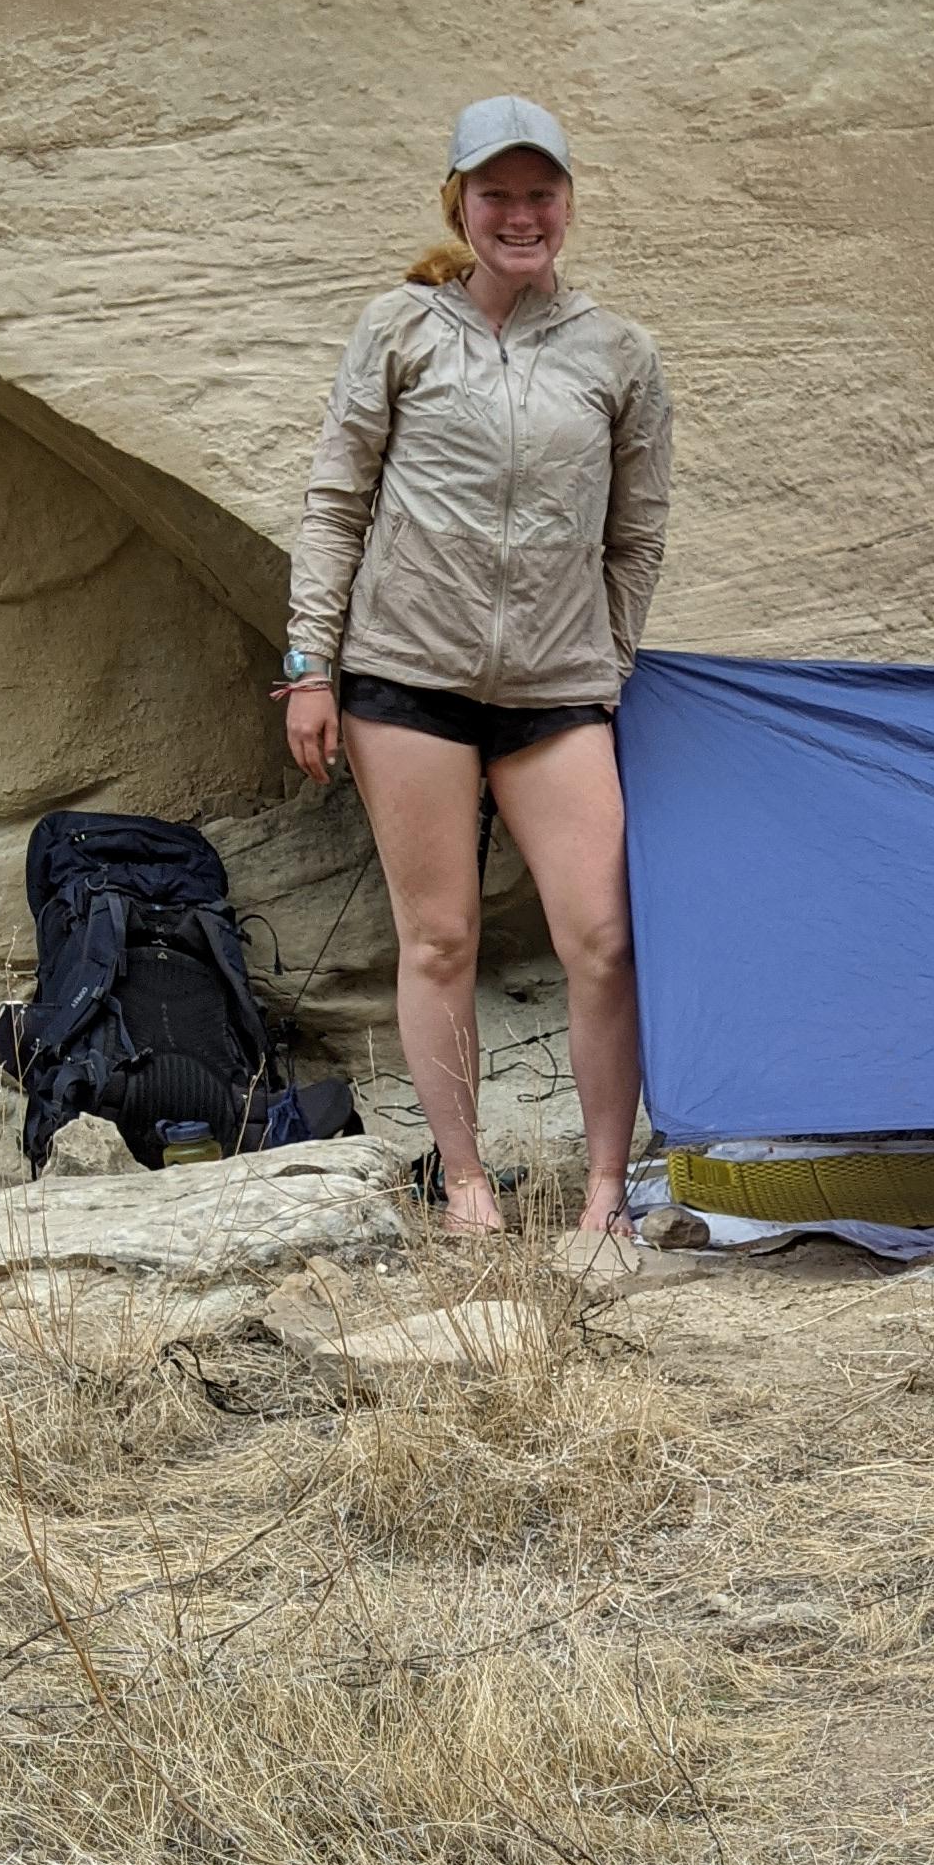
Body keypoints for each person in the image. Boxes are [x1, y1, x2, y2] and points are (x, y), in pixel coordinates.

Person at [279, 96, 671, 1235]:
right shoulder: (398, 330)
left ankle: (606, 1195)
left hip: (555, 694)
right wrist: (312, 664)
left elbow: (636, 534)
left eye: (539, 194)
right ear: (459, 201)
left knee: (601, 938)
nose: (520, 216)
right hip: (406, 680)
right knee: (439, 936)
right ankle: (466, 1188)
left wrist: (605, 658)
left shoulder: (618, 354)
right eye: (495, 194)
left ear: (567, 206)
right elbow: (335, 503)